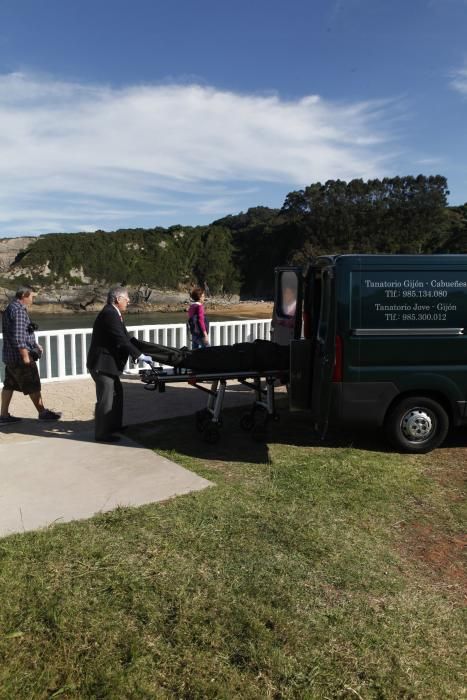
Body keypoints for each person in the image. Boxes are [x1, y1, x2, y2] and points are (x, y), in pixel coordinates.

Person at [86, 286, 152, 443]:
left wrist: (136, 352)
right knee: (106, 400)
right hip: (102, 365)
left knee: (117, 394)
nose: (129, 300)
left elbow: (125, 338)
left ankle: (114, 426)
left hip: (108, 365)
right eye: (126, 298)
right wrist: (140, 355)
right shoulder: (109, 314)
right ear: (117, 299)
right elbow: (120, 340)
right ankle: (102, 434)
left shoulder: (114, 313)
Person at [1, 286, 61, 424]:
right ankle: (43, 413)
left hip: (10, 356)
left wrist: (35, 344)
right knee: (33, 383)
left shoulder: (11, 308)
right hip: (20, 357)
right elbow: (18, 337)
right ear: (24, 295)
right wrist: (26, 356)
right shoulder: (19, 311)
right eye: (32, 296)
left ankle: (3, 416)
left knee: (9, 385)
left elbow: (21, 332)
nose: (33, 299)